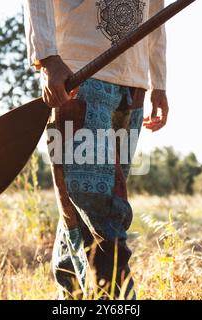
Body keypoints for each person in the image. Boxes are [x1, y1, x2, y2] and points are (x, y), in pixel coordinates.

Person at [24, 0, 169, 300]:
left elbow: (156, 11)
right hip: (78, 75)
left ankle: (73, 298)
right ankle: (117, 299)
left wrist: (159, 82)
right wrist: (49, 58)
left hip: (133, 88)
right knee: (97, 201)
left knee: (82, 209)